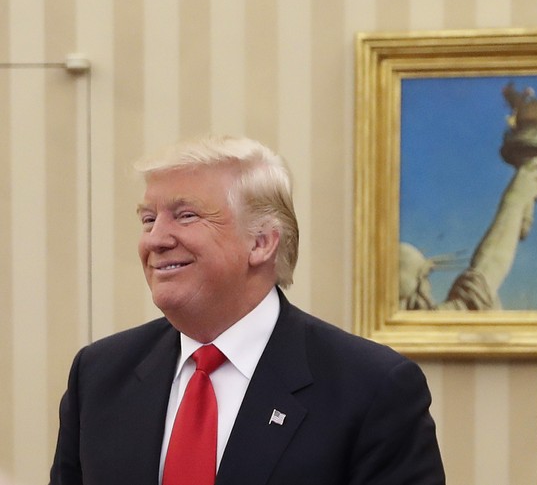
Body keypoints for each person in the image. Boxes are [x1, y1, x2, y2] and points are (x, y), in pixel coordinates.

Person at [50, 135, 445, 485]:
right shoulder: (99, 374)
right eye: (148, 219)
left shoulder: (372, 387)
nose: (155, 239)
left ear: (261, 243)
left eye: (185, 215)